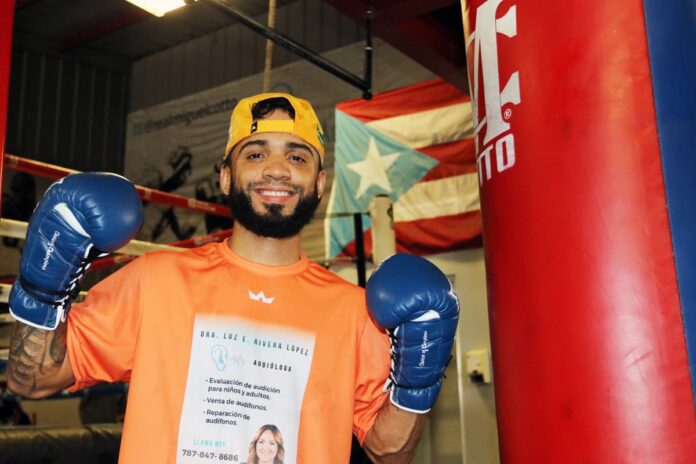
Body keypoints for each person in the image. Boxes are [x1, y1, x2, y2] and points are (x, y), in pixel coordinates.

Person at [6, 92, 459, 463]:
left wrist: (417, 379)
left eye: (298, 157)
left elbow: (388, 453)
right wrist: (44, 284)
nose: (277, 169)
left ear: (319, 183)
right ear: (225, 176)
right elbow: (31, 381)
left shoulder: (353, 312)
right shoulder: (155, 280)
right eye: (256, 153)